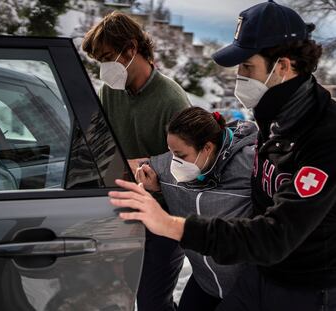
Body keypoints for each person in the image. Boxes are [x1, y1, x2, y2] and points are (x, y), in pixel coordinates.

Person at [109, 1, 336, 310]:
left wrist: (173, 226)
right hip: (259, 272)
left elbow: (275, 235)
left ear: (282, 66)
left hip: (308, 288)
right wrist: (165, 184)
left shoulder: (323, 136)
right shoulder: (273, 119)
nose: (239, 77)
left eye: (247, 67)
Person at [82, 11, 191, 311]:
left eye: (107, 57)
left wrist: (150, 170)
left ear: (131, 49)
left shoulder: (171, 100)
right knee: (121, 296)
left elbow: (190, 167)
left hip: (163, 218)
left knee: (153, 302)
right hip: (122, 213)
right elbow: (98, 145)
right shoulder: (110, 92)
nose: (104, 68)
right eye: (99, 61)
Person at [133, 106, 257, 310]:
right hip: (204, 283)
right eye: (171, 153)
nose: (174, 161)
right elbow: (141, 166)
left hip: (245, 288)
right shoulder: (171, 167)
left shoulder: (249, 164)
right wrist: (153, 185)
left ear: (207, 148)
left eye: (180, 154)